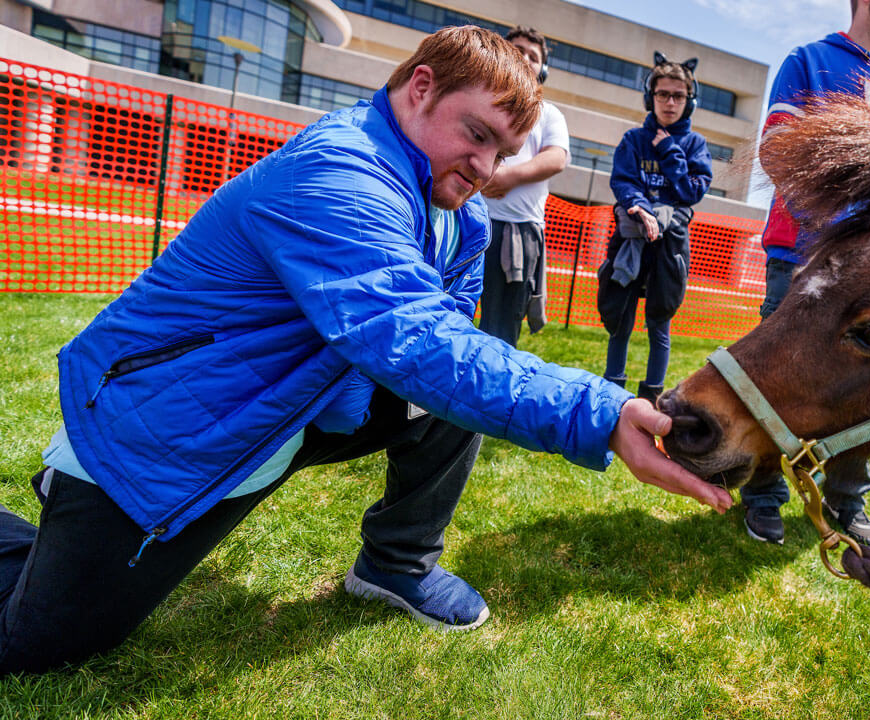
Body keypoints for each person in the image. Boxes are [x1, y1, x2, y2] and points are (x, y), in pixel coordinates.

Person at [0, 26, 731, 675]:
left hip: (292, 405)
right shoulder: (341, 171)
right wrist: (599, 412)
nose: (484, 166)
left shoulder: (460, 214)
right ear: (420, 88)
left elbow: (454, 355)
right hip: (168, 423)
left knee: (459, 396)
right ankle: (69, 507)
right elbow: (417, 341)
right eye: (476, 135)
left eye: (502, 152)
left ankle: (397, 565)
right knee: (39, 646)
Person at [742, 0, 870, 549]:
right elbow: (778, 151)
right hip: (801, 254)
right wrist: (843, 222)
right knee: (773, 374)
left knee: (866, 383)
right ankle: (762, 493)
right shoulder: (809, 61)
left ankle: (847, 498)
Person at [596, 53, 712, 403]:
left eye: (678, 95)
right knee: (620, 321)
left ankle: (650, 401)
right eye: (662, 94)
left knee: (660, 321)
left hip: (670, 245)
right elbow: (623, 181)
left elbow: (691, 191)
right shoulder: (633, 140)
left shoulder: (694, 145)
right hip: (631, 237)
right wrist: (642, 209)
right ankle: (612, 395)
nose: (670, 102)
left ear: (689, 101)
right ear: (651, 97)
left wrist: (670, 152)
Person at [478, 26, 570, 347]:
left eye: (534, 56)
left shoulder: (549, 114)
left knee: (501, 329)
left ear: (542, 68)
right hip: (468, 221)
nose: (525, 59)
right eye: (517, 50)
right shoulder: (480, 97)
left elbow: (556, 158)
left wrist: (506, 177)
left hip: (517, 235)